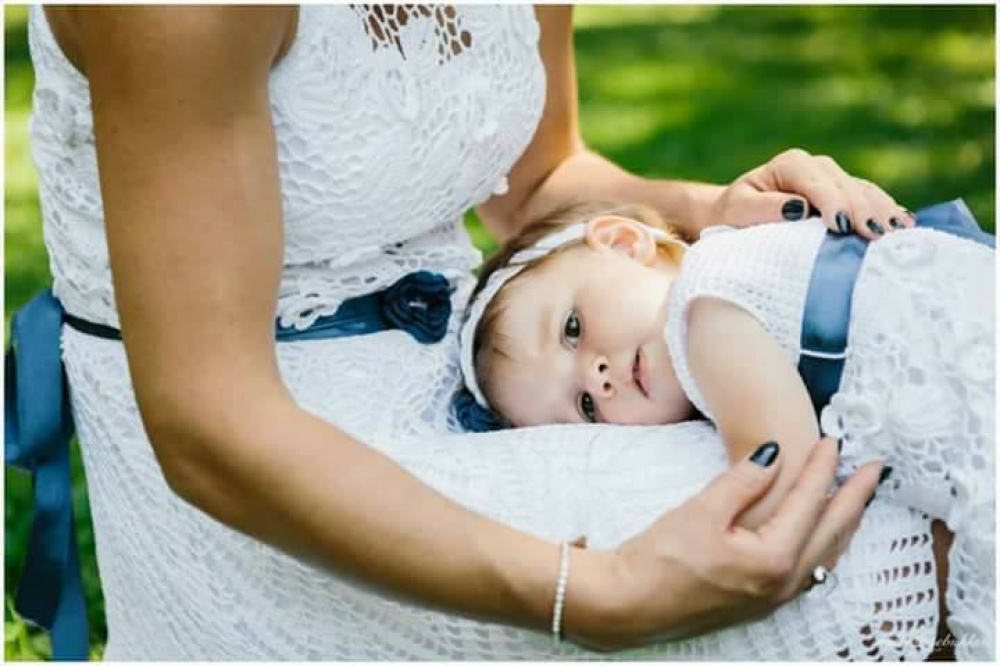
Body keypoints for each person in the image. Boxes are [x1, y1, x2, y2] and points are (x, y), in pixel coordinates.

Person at [9, 5, 915, 659]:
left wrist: (716, 213)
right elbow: (211, 427)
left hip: (496, 379)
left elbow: (539, 182)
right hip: (272, 479)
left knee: (901, 468)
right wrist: (596, 592)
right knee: (874, 541)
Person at [458, 198, 995, 659]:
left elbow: (783, 481)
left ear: (622, 243)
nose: (598, 379)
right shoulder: (738, 255)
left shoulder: (704, 311)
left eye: (572, 330)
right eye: (585, 408)